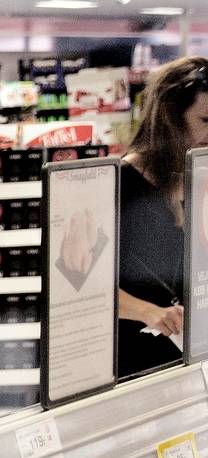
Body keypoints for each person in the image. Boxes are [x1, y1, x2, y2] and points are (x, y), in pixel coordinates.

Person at [118, 56, 208, 377]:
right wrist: (147, 311)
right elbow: (82, 287)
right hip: (136, 364)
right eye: (205, 121)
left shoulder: (201, 177)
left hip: (194, 360)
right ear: (171, 119)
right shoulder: (121, 185)